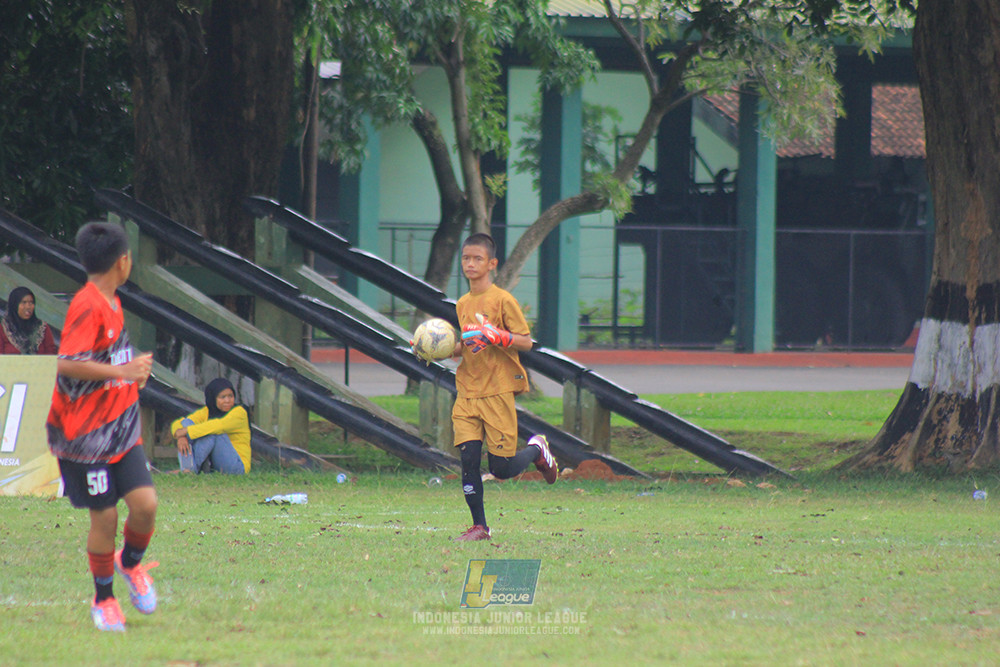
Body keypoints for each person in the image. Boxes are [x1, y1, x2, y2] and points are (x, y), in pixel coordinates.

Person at [46, 222, 156, 632]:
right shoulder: (86, 304)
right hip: (84, 439)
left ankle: (130, 564)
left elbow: (110, 360)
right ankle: (104, 599)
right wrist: (122, 371)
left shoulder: (112, 301)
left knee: (145, 505)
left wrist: (132, 374)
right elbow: (67, 362)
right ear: (122, 261)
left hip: (120, 432)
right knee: (105, 517)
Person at [446, 233, 558, 542]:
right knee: (468, 459)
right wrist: (435, 348)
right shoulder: (463, 303)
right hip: (467, 391)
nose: (470, 264)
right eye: (466, 258)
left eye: (477, 259)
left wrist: (498, 336)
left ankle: (537, 448)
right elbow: (465, 344)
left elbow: (526, 341)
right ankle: (479, 527)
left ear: (492, 264)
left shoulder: (502, 299)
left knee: (501, 469)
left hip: (496, 391)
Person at [171, 377, 251, 475]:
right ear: (213, 398)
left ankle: (189, 469)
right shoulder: (206, 411)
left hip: (238, 466)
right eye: (222, 397)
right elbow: (181, 422)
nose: (227, 400)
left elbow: (219, 426)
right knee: (187, 423)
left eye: (230, 396)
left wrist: (186, 431)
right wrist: (181, 437)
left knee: (214, 432)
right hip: (216, 465)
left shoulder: (240, 412)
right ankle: (188, 468)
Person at [1, 286, 57, 354]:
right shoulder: (4, 328)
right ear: (14, 305)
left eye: (31, 302)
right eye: (24, 302)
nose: (28, 307)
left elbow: (51, 353)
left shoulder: (42, 328)